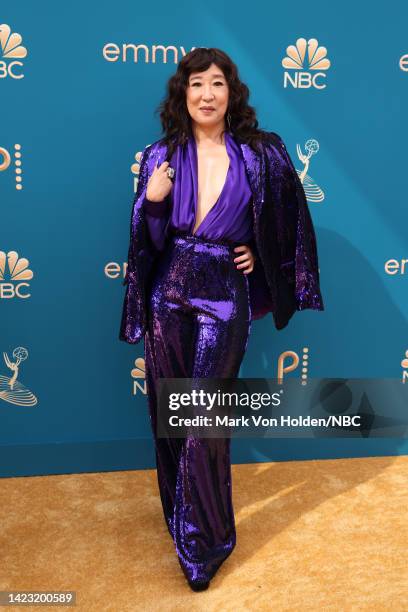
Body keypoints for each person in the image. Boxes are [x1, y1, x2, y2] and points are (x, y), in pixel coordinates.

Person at [119, 47, 324, 591]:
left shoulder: (261, 153)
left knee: (205, 417)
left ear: (231, 94)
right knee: (173, 415)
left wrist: (257, 252)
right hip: (170, 292)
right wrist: (152, 202)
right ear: (181, 95)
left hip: (224, 295)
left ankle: (206, 539)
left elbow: (287, 219)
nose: (206, 95)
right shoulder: (160, 156)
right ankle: (183, 520)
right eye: (196, 85)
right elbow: (149, 244)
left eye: (217, 84)